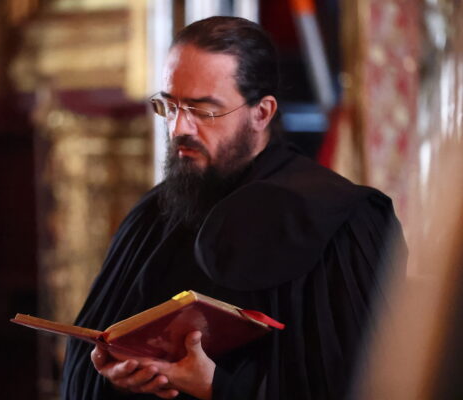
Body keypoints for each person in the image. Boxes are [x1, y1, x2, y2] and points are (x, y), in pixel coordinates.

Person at [59, 16, 405, 400]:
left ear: (262, 113)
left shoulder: (342, 220)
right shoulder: (151, 215)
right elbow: (83, 361)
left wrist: (218, 387)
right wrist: (111, 372)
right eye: (169, 106)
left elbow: (369, 385)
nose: (178, 129)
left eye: (203, 110)